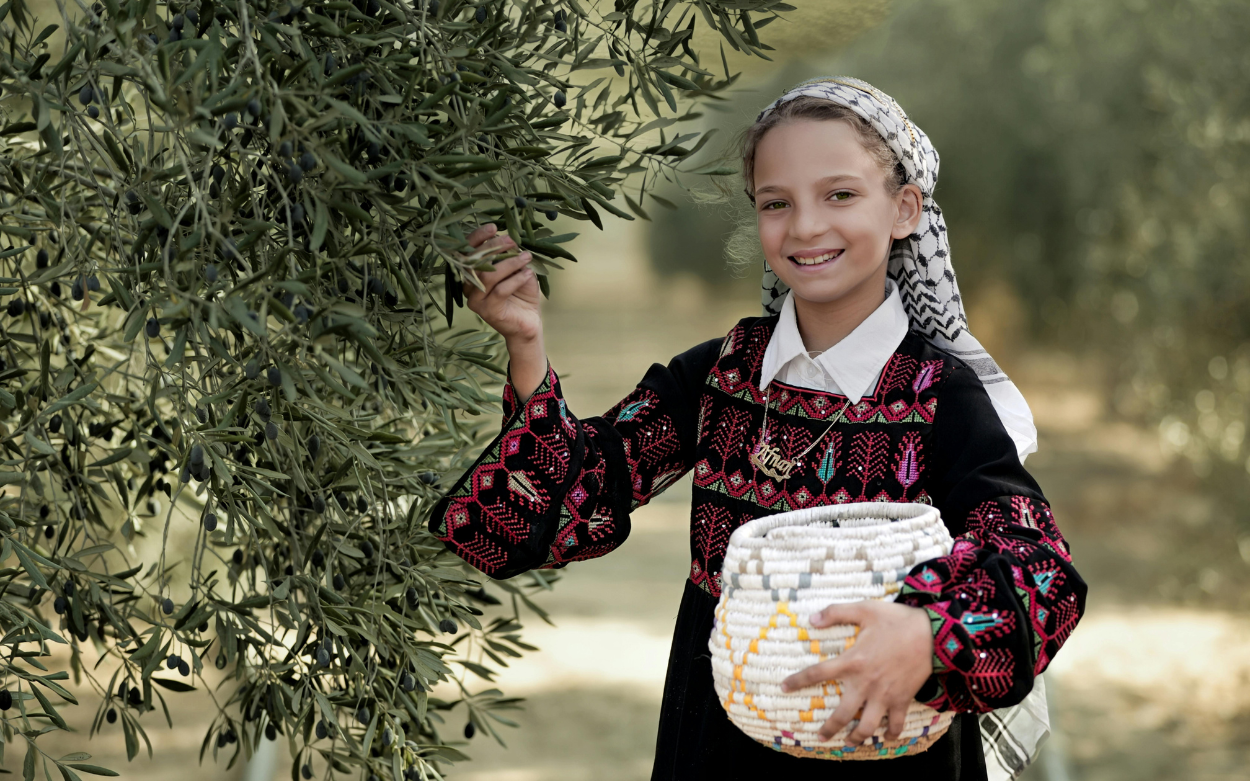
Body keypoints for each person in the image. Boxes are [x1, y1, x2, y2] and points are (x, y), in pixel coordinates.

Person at [428, 77, 1087, 781]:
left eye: (839, 194)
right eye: (777, 203)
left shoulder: (940, 396)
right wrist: (526, 344)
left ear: (903, 209)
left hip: (879, 742)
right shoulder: (721, 375)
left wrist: (929, 633)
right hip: (717, 742)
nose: (805, 226)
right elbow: (579, 490)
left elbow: (1039, 565)